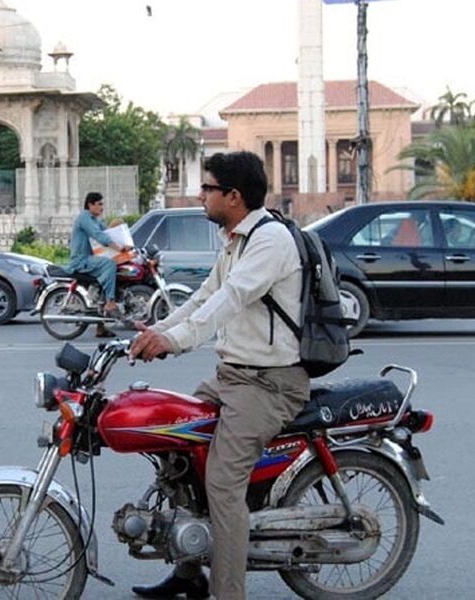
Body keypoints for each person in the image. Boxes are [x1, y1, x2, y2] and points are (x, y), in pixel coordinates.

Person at [129, 151, 309, 600]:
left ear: (233, 196)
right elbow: (202, 298)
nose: (200, 195)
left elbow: (230, 299)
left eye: (208, 189)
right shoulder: (236, 240)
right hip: (233, 377)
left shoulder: (270, 241)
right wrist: (159, 330)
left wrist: (177, 342)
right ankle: (190, 573)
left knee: (224, 483)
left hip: (270, 384)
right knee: (178, 453)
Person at [68, 191, 132, 338]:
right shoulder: (85, 218)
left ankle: (100, 327)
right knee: (109, 264)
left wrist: (126, 244)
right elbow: (100, 236)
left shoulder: (95, 219)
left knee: (111, 274)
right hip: (81, 260)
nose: (102, 207)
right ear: (90, 204)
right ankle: (110, 302)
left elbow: (108, 232)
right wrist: (119, 248)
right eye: (99, 204)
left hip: (90, 259)